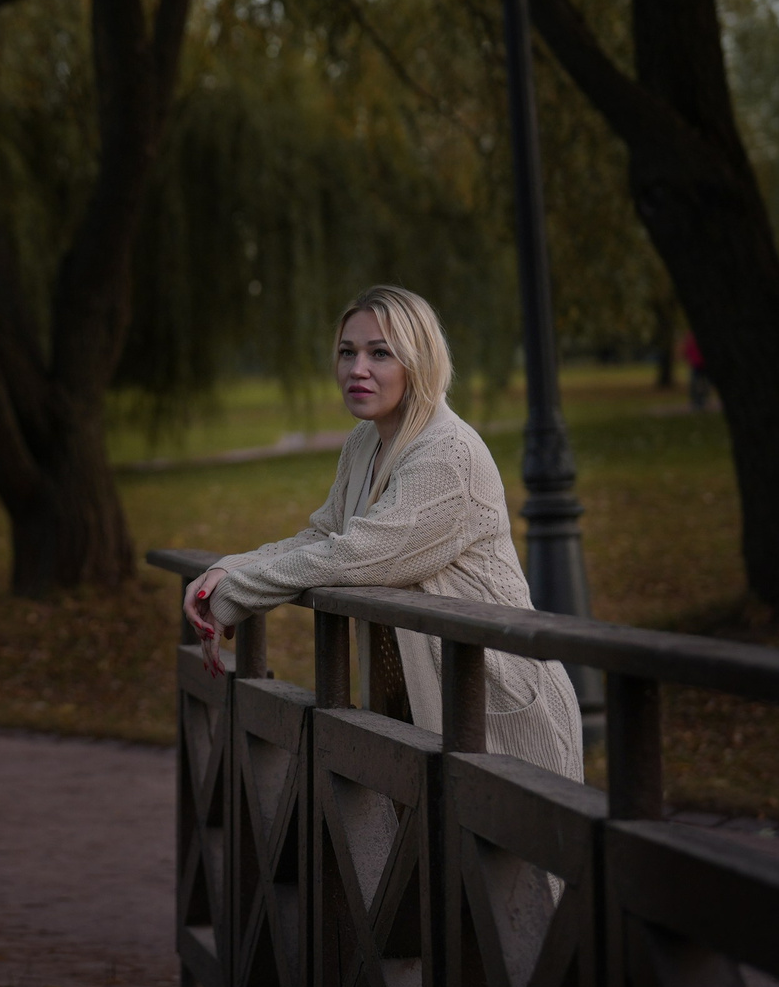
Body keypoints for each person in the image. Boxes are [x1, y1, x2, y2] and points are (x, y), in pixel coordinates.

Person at [182, 285, 584, 782]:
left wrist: (239, 592)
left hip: (500, 706)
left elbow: (361, 555)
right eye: (347, 352)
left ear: (418, 362)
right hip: (429, 713)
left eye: (380, 353)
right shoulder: (365, 442)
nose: (357, 370)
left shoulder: (447, 452)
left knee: (516, 859)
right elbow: (323, 535)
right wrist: (227, 569)